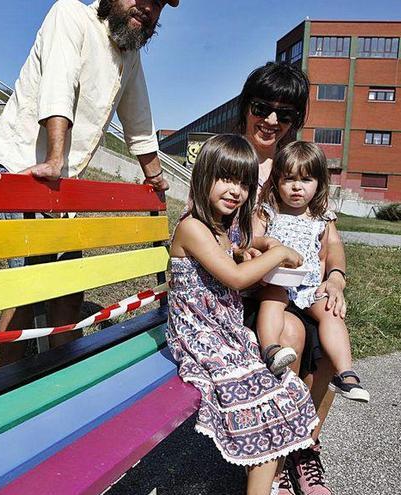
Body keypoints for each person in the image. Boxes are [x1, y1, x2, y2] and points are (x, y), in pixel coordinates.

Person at [0, 0, 177, 366]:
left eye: (158, 3)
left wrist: (156, 177)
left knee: (68, 296)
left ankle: (63, 379)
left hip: (56, 191)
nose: (147, 8)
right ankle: (3, 387)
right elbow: (59, 85)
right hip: (17, 170)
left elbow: (139, 120)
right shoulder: (69, 14)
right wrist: (54, 159)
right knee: (31, 286)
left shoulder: (128, 56)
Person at [166, 134, 318, 495]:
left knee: (287, 392)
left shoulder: (223, 227)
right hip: (198, 335)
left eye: (245, 183)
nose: (236, 191)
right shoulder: (193, 227)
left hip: (225, 330)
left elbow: (240, 249)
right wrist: (279, 254)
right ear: (203, 177)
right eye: (226, 178)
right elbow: (236, 276)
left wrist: (263, 246)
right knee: (261, 395)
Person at [233, 62, 348, 495]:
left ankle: (305, 446)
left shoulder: (293, 164)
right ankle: (274, 458)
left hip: (297, 285)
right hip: (245, 289)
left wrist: (334, 277)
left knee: (332, 338)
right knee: (293, 333)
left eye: (286, 114)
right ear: (247, 107)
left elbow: (330, 239)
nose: (273, 121)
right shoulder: (230, 159)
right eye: (263, 107)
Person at [253, 141, 369, 403]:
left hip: (309, 286)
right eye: (289, 179)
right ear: (276, 181)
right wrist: (268, 246)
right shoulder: (267, 211)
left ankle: (346, 373)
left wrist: (335, 277)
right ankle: (270, 348)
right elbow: (252, 239)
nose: (297, 186)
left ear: (319, 183)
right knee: (273, 300)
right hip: (277, 280)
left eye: (306, 179)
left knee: (330, 312)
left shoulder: (320, 217)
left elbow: (334, 245)